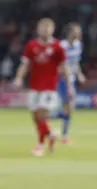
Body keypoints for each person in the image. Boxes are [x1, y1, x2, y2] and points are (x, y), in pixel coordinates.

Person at [13, 18, 74, 156]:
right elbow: (25, 64)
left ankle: (40, 146)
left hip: (50, 87)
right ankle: (50, 134)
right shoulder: (32, 45)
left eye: (48, 28)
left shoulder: (58, 47)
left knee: (42, 114)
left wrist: (69, 85)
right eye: (42, 28)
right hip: (34, 87)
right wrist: (18, 78)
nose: (45, 30)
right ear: (38, 29)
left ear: (52, 30)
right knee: (35, 118)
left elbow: (64, 67)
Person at [57, 22, 85, 144]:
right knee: (67, 106)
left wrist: (79, 74)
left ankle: (62, 133)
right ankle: (63, 135)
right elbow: (58, 64)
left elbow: (76, 62)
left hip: (71, 79)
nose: (78, 34)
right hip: (61, 79)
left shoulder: (78, 45)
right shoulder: (61, 46)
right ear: (69, 32)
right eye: (76, 31)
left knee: (70, 108)